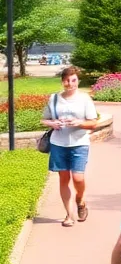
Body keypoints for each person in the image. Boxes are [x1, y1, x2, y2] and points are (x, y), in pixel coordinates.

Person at [41, 66, 100, 227]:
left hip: (79, 143)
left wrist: (79, 123)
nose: (70, 83)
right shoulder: (54, 98)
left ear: (77, 81)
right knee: (64, 179)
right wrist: (52, 123)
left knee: (78, 178)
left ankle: (80, 199)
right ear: (62, 81)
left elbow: (93, 123)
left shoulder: (84, 99)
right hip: (58, 144)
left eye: (73, 80)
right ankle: (69, 214)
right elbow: (44, 119)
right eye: (67, 80)